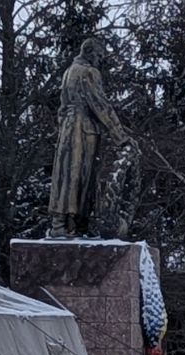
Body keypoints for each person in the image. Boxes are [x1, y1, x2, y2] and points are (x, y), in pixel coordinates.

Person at [47, 38, 131, 238]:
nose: (100, 60)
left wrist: (66, 124)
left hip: (68, 127)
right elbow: (100, 105)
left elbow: (62, 107)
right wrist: (120, 136)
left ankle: (63, 223)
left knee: (65, 175)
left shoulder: (69, 72)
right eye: (99, 55)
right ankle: (75, 223)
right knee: (82, 177)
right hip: (83, 130)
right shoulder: (88, 72)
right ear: (89, 52)